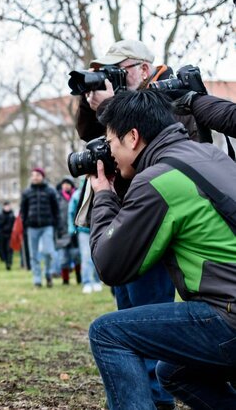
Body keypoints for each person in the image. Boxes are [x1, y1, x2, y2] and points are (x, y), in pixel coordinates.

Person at [88, 90, 236, 410]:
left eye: (110, 141)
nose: (109, 151)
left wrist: (102, 195)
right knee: (174, 371)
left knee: (107, 332)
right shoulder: (211, 155)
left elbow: (110, 266)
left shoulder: (160, 179)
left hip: (229, 317)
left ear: (132, 137)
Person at [75, 40, 177, 409]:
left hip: (150, 225)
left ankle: (157, 400)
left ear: (145, 69)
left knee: (148, 316)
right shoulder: (114, 107)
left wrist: (114, 103)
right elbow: (91, 141)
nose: (112, 77)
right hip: (119, 218)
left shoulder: (167, 98)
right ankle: (133, 397)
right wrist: (93, 103)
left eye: (120, 68)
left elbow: (160, 159)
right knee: (124, 318)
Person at [19, 167, 58, 288]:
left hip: (47, 226)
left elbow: (55, 209)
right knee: (33, 254)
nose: (35, 177)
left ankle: (48, 273)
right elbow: (23, 210)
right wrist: (25, 223)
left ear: (42, 176)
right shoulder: (26, 192)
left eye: (37, 175)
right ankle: (37, 279)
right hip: (32, 227)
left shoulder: (50, 191)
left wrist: (55, 223)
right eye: (33, 175)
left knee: (48, 251)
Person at [68, 178, 101, 294]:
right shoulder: (77, 195)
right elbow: (71, 212)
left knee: (98, 257)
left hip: (98, 229)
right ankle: (87, 282)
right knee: (86, 257)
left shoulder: (99, 191)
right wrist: (72, 229)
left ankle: (97, 281)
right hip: (83, 231)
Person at [55, 177, 80, 285]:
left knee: (77, 256)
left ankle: (79, 277)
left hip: (76, 231)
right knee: (63, 258)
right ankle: (65, 280)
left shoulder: (77, 196)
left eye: (67, 183)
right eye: (63, 184)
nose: (65, 186)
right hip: (62, 232)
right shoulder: (57, 198)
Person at [0, 202, 16, 270]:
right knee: (3, 249)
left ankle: (9, 263)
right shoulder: (1, 215)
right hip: (2, 235)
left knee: (9, 249)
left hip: (10, 235)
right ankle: (5, 260)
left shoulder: (12, 216)